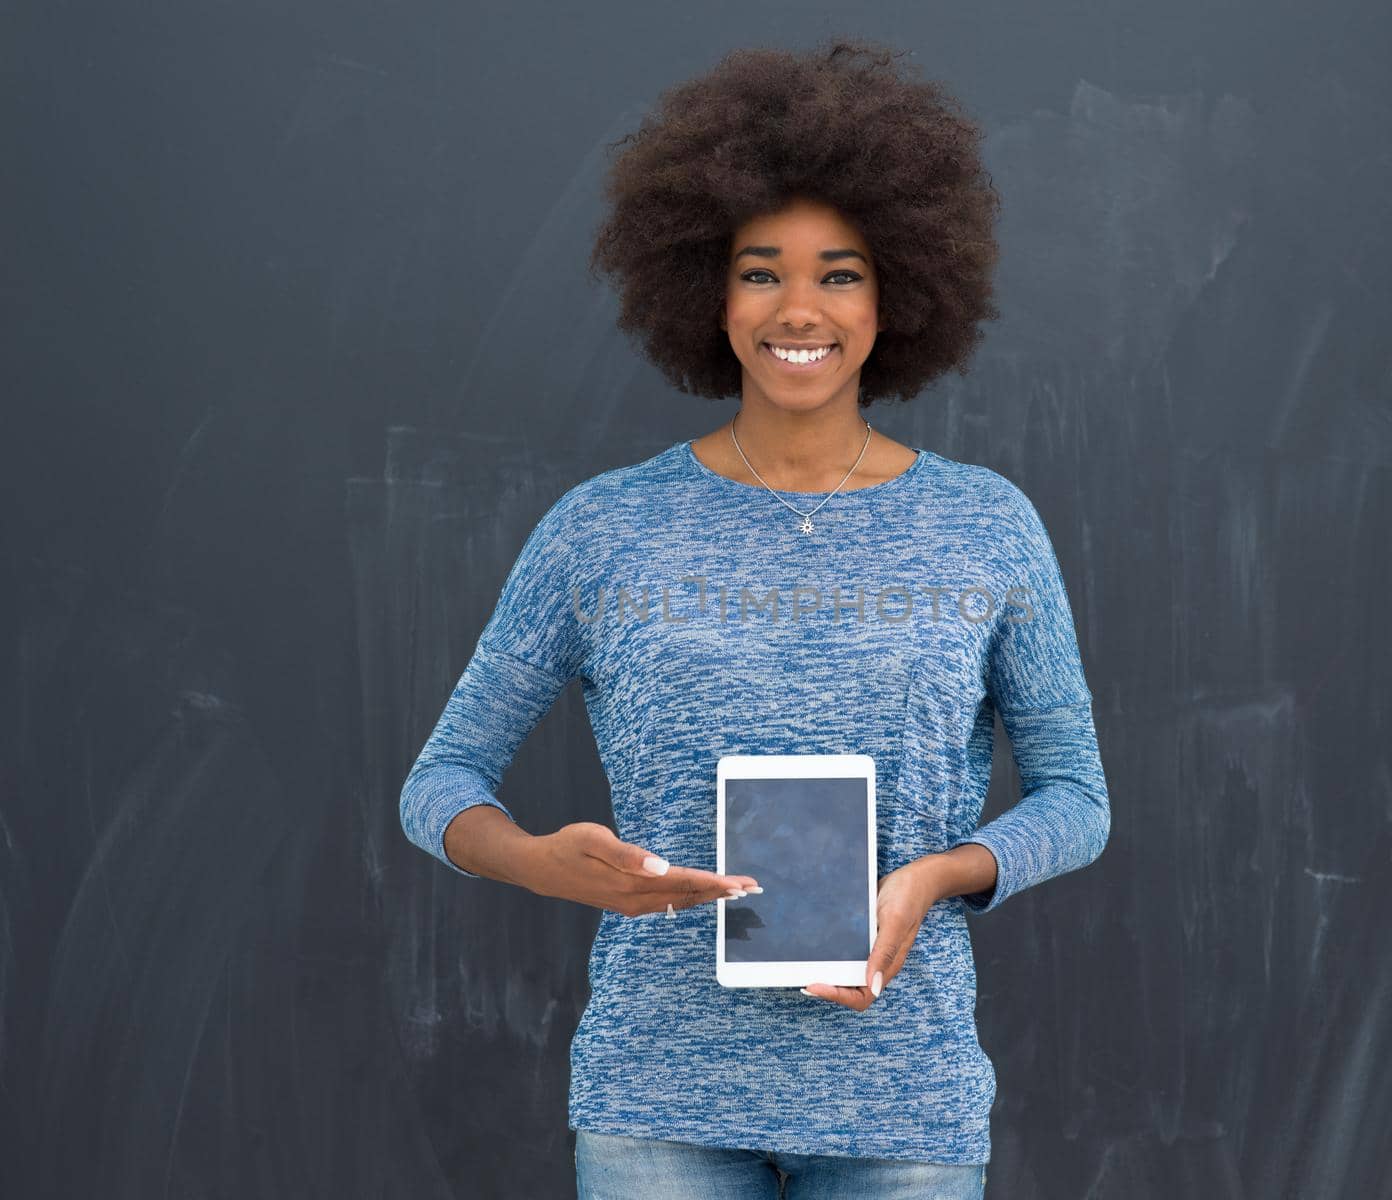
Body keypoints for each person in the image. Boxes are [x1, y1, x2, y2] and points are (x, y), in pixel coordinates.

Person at [398, 38, 1110, 1200]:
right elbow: (439, 785)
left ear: (897, 296)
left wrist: (934, 878)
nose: (798, 309)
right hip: (658, 1108)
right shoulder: (602, 530)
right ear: (703, 291)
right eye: (757, 270)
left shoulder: (988, 527)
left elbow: (1077, 801)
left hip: (903, 1108)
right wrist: (544, 866)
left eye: (839, 273)